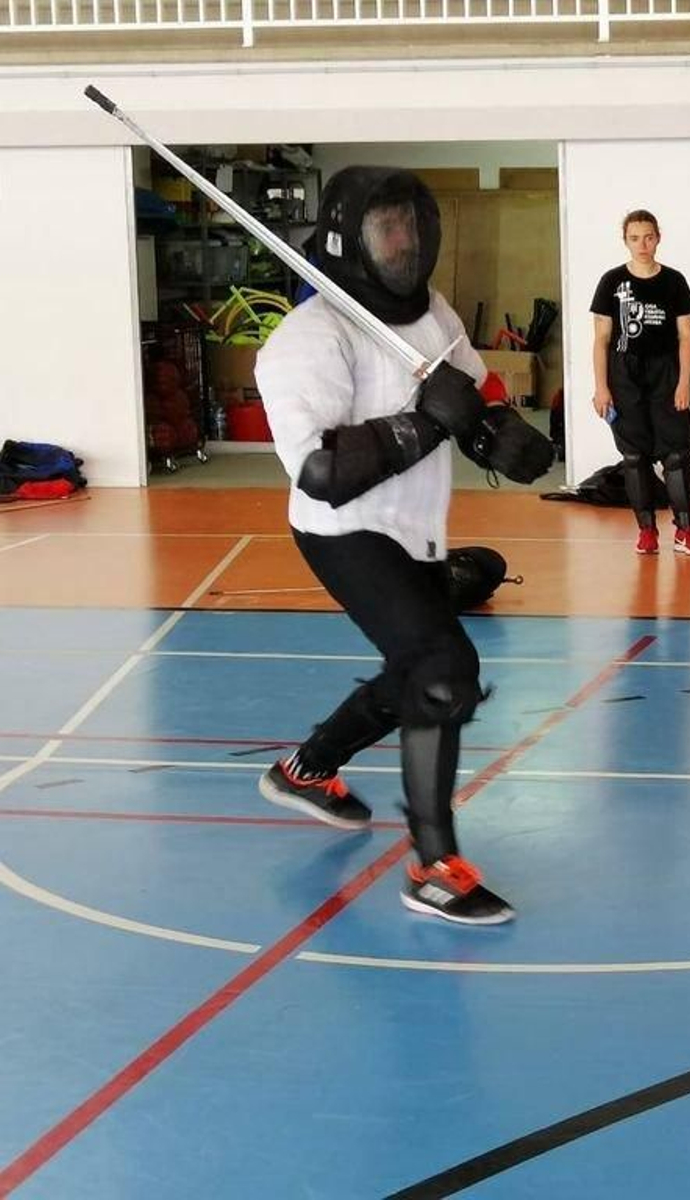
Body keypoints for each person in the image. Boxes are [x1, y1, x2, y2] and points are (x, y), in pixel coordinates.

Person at [255, 166, 554, 926]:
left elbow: (474, 393)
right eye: (388, 227)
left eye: (413, 226)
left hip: (416, 526)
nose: (405, 242)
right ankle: (431, 865)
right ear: (350, 236)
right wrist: (427, 420)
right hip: (344, 529)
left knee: (416, 665)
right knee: (445, 669)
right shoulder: (307, 338)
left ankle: (307, 768)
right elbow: (322, 471)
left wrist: (502, 437)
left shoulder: (434, 314)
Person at [590, 209, 690, 556]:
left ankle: (685, 531)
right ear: (625, 241)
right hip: (623, 374)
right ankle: (646, 532)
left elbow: (686, 335)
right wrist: (601, 387)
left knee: (676, 455)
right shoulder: (611, 282)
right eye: (634, 238)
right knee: (634, 456)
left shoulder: (674, 281)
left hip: (665, 372)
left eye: (649, 236)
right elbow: (601, 339)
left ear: (659, 237)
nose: (643, 244)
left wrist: (684, 382)